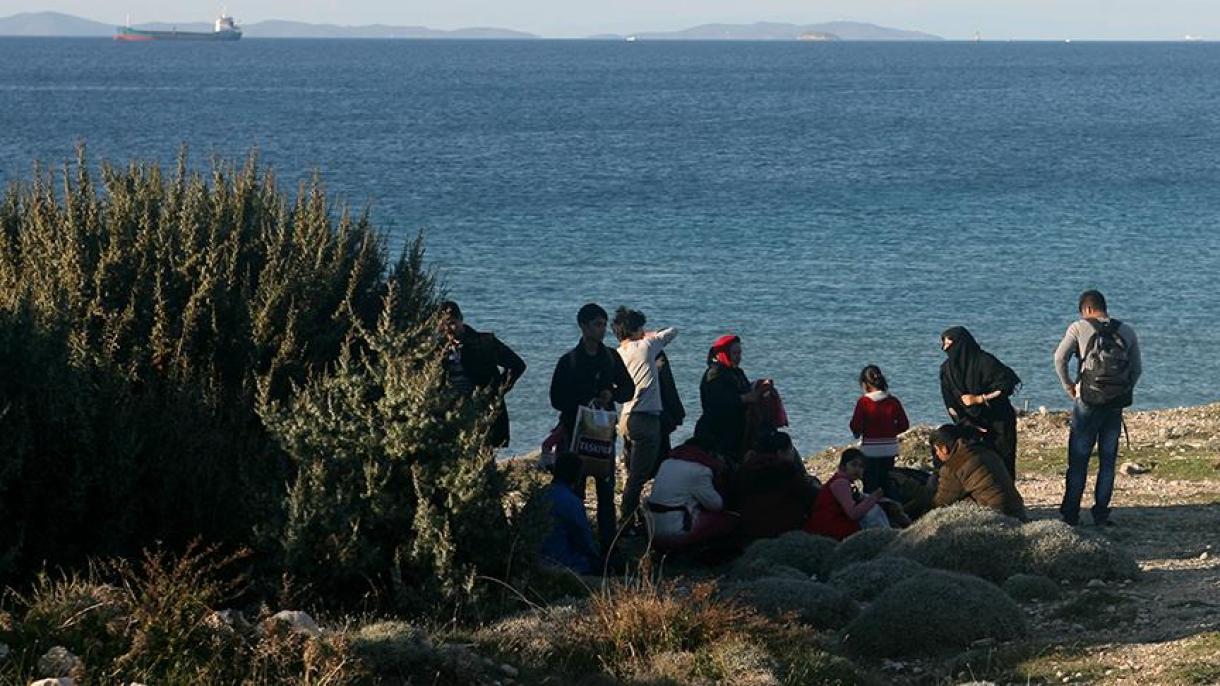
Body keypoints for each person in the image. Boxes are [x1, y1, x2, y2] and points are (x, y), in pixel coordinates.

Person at [549, 303, 636, 553]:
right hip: (575, 432)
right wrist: (582, 402)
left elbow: (628, 389)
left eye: (603, 324)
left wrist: (611, 394)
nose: (602, 330)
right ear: (584, 326)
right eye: (597, 324)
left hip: (602, 432)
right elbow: (556, 399)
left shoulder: (610, 357)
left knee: (606, 490)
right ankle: (578, 543)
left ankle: (609, 545)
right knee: (574, 490)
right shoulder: (568, 361)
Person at [1053, 290, 1142, 526]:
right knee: (1107, 461)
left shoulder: (1079, 327)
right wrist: (1123, 390)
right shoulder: (1126, 331)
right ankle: (1101, 514)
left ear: (1087, 309)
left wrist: (1069, 387)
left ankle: (1071, 513)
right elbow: (1137, 368)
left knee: (1079, 459)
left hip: (1087, 401)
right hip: (1114, 405)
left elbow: (1059, 358)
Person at [611, 306, 679, 533]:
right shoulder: (646, 346)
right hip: (646, 418)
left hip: (626, 417)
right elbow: (672, 331)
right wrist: (649, 334)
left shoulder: (617, 353)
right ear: (636, 329)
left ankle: (630, 514)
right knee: (639, 477)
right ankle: (626, 521)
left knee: (630, 470)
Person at [437, 301, 527, 448]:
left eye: (452, 323)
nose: (448, 329)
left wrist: (497, 392)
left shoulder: (485, 343)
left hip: (480, 412)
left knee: (482, 458)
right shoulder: (437, 349)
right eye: (443, 325)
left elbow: (517, 365)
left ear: (461, 319)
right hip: (450, 414)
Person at [939, 326, 1022, 480]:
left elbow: (1006, 385)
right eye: (944, 345)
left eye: (950, 344)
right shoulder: (947, 370)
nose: (946, 349)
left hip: (999, 420)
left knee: (1003, 462)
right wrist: (965, 423)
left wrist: (979, 399)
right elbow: (950, 404)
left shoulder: (985, 362)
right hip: (971, 424)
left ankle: (1008, 500)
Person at [646, 433, 737, 553]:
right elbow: (716, 505)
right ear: (709, 453)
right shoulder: (700, 471)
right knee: (729, 520)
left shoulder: (667, 463)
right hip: (675, 530)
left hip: (652, 528)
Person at [693, 335, 772, 463]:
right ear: (724, 353)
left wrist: (759, 387)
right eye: (734, 353)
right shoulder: (714, 373)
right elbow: (715, 403)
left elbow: (744, 390)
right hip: (717, 432)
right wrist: (744, 398)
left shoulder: (737, 372)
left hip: (736, 432)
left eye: (740, 353)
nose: (738, 357)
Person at [927, 424, 1028, 521]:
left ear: (944, 449)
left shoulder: (953, 466)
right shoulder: (985, 450)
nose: (937, 455)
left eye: (936, 450)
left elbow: (941, 502)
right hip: (1019, 512)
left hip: (997, 517)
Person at [732, 431, 818, 539]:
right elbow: (810, 495)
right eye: (791, 450)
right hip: (780, 530)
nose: (793, 454)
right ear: (780, 453)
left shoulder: (746, 469)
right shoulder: (785, 471)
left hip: (749, 529)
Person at [850, 365, 910, 499]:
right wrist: (890, 432)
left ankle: (872, 511)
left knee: (870, 485)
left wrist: (859, 432)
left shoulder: (864, 402)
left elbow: (856, 425)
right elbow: (904, 425)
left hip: (870, 450)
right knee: (886, 482)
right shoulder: (893, 401)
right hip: (889, 449)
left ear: (865, 385)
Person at [804, 448, 889, 540]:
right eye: (854, 464)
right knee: (874, 511)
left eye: (861, 466)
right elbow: (853, 514)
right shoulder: (841, 483)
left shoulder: (843, 481)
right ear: (843, 466)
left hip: (832, 524)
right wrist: (874, 497)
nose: (857, 469)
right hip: (830, 527)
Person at [539, 452, 601, 576]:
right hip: (562, 562)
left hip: (533, 558)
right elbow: (585, 540)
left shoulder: (540, 494)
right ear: (576, 476)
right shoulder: (572, 502)